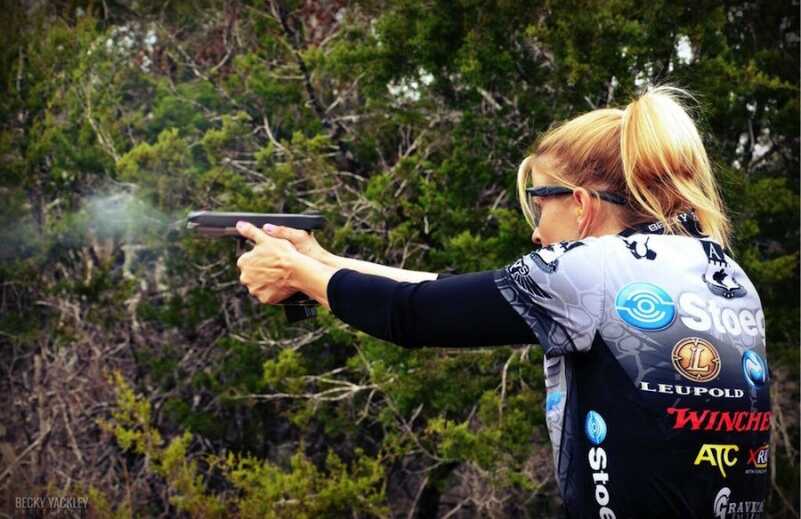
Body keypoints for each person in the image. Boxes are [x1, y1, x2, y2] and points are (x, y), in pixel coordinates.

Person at [235, 86, 770, 518]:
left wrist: (295, 274)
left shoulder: (592, 268)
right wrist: (320, 261)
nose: (536, 234)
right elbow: (446, 290)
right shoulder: (717, 267)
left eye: (539, 205)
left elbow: (415, 315)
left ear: (580, 205)